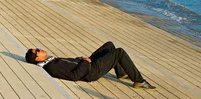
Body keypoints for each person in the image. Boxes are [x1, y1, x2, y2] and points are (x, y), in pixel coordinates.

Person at [25, 41, 156, 90]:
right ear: (37, 58)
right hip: (91, 72)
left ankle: (121, 73)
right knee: (119, 52)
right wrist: (85, 63)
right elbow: (74, 76)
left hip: (86, 64)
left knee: (109, 46)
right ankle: (139, 81)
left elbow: (70, 64)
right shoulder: (51, 67)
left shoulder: (49, 61)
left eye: (37, 48)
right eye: (37, 51)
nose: (39, 49)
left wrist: (80, 59)